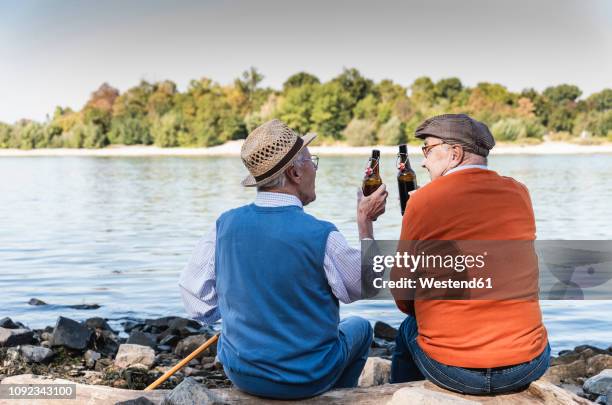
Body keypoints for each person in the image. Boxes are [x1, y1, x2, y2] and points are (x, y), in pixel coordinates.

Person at [179, 119, 388, 399]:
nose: (315, 168)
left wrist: (238, 313)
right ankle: (335, 398)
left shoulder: (224, 225)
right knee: (360, 327)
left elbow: (196, 301)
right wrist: (365, 223)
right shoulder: (321, 234)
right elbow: (370, 284)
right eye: (312, 161)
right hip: (305, 378)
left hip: (243, 372)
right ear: (295, 173)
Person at [391, 114, 550, 394]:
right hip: (526, 366)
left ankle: (405, 397)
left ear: (454, 154)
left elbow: (403, 297)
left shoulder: (423, 201)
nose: (424, 161)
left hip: (453, 371)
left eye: (427, 149)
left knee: (407, 329)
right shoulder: (520, 193)